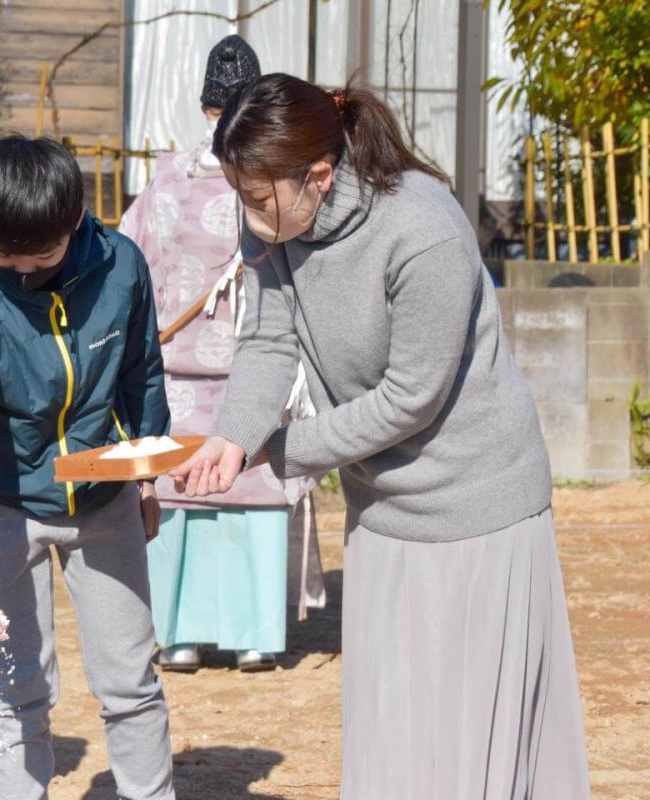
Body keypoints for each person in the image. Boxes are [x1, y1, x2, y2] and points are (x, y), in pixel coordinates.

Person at [170, 74, 590, 798]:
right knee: (393, 723)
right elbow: (268, 339)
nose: (249, 213)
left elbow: (410, 398)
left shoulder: (419, 228)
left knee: (463, 734)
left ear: (320, 175)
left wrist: (281, 451)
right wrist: (232, 438)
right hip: (385, 511)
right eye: (240, 194)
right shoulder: (275, 218)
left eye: (259, 197)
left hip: (477, 509)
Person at [0, 135, 176, 799]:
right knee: (16, 692)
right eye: (9, 257)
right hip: (11, 508)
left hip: (103, 502)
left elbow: (140, 375)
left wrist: (144, 473)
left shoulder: (121, 266)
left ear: (73, 219)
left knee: (131, 683)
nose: (24, 271)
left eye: (44, 256)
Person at [119, 34, 326, 673]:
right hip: (256, 372)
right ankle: (255, 634)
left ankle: (178, 634)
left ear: (205, 104)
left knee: (181, 498)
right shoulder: (274, 177)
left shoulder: (163, 182)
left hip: (176, 371)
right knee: (252, 496)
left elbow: (128, 260)